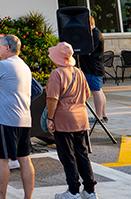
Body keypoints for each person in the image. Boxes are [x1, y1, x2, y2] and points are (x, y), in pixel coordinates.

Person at [0, 35, 34, 199]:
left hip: (5, 119)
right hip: (24, 118)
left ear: (7, 48)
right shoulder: (23, 65)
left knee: (1, 160)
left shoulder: (2, 65)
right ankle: (28, 197)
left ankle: (0, 197)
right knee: (24, 158)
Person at [46, 42, 97, 199]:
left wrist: (50, 118)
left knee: (67, 155)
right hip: (80, 117)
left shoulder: (57, 73)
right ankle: (90, 190)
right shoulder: (78, 72)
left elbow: (52, 99)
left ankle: (73, 190)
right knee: (82, 153)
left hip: (63, 118)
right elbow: (87, 94)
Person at [78, 16, 107, 124]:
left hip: (93, 68)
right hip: (94, 67)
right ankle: (103, 115)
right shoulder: (95, 34)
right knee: (99, 91)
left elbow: (89, 49)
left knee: (96, 92)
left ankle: (99, 116)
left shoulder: (95, 35)